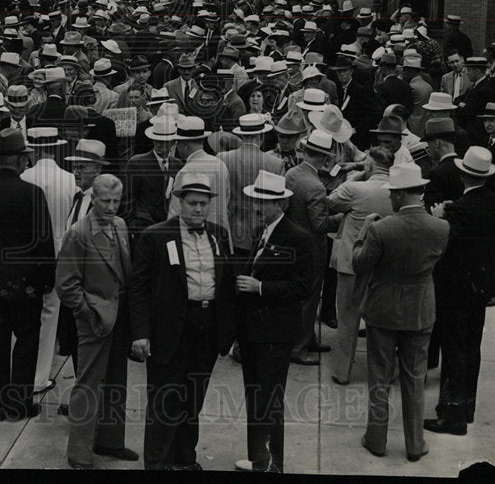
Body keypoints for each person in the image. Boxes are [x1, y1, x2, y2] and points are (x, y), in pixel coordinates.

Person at [130, 172, 237, 471]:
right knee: (164, 400)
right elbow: (137, 287)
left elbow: (226, 283)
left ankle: (184, 458)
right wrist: (140, 333)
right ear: (179, 202)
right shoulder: (155, 236)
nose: (199, 209)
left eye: (204, 203)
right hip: (169, 330)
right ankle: (157, 464)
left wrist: (228, 331)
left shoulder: (218, 234)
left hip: (207, 328)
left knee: (193, 400)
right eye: (192, 203)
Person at [352, 163, 449, 462]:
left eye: (393, 192)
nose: (391, 197)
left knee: (380, 376)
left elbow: (360, 264)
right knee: (414, 378)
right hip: (420, 310)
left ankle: (377, 439)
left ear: (400, 194)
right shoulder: (440, 227)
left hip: (383, 310)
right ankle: (415, 443)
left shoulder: (381, 229)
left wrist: (363, 231)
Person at [0, 129, 56, 421]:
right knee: (27, 342)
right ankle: (19, 404)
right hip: (25, 286)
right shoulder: (32, 193)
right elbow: (44, 242)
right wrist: (46, 280)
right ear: (20, 160)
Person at [55, 173, 138, 469]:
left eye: (117, 201)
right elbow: (65, 285)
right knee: (88, 384)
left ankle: (110, 441)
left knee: (117, 380)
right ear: (94, 198)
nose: (112, 206)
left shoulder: (120, 225)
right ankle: (78, 452)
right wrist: (86, 312)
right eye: (106, 201)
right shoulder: (79, 233)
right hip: (94, 319)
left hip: (120, 317)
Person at [233, 171, 314, 474]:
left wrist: (260, 288)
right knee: (256, 398)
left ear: (280, 203)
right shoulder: (262, 232)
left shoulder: (298, 237)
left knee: (269, 401)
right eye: (255, 200)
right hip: (254, 332)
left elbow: (303, 287)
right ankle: (259, 460)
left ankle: (273, 465)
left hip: (275, 334)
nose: (257, 206)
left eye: (263, 202)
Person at [425, 147, 495, 435]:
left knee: (454, 350)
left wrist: (440, 216)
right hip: (482, 286)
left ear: (463, 175)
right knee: (473, 348)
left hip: (456, 289)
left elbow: (444, 245)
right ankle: (467, 407)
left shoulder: (459, 209)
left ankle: (452, 415)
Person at [326, 145, 395, 385]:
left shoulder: (354, 188)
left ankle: (342, 372)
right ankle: (382, 373)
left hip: (350, 263)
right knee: (380, 322)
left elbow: (329, 201)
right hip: (382, 265)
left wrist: (357, 175)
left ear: (369, 165)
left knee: (347, 318)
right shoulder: (397, 192)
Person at [21, 127, 78, 396]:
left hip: (27, 256)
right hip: (59, 253)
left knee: (25, 318)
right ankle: (39, 377)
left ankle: (23, 372)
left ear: (32, 149)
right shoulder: (69, 180)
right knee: (50, 314)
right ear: (55, 148)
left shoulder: (24, 177)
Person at [284, 129, 338, 365]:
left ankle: (308, 338)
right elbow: (320, 225)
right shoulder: (315, 186)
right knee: (309, 298)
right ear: (325, 159)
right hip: (312, 249)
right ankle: (299, 347)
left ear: (305, 151)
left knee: (301, 298)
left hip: (293, 243)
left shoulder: (292, 174)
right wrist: (341, 217)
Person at [218, 114, 285, 259]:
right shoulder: (275, 163)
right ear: (261, 136)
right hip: (261, 234)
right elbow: (282, 204)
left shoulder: (223, 158)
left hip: (231, 232)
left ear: (241, 135)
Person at [167, 116, 232, 246]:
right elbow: (227, 200)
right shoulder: (220, 164)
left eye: (178, 142)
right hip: (221, 238)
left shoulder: (185, 172)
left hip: (195, 242)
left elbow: (175, 214)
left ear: (184, 145)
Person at [120, 116, 183, 247]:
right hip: (144, 232)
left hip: (169, 232)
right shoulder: (137, 163)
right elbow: (127, 202)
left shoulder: (178, 165)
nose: (159, 144)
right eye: (156, 140)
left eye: (164, 141)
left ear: (172, 142)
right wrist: (134, 230)